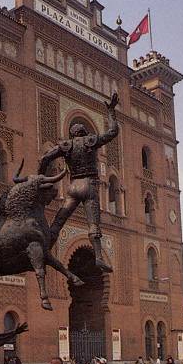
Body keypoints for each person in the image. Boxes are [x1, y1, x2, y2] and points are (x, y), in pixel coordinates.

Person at [38, 91, 120, 271]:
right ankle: (99, 257)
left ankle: (45, 249)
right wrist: (111, 111)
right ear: (83, 132)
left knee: (59, 220)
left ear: (72, 134)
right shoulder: (91, 141)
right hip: (89, 186)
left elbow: (44, 159)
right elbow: (113, 132)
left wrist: (41, 180)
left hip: (73, 187)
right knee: (93, 224)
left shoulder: (66, 146)